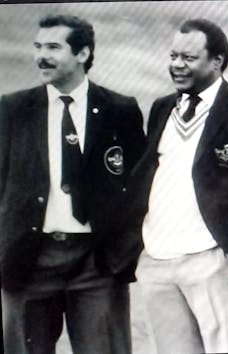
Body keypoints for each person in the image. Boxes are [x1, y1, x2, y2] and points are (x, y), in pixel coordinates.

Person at [124, 18, 228, 353]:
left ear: (217, 61)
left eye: (188, 58)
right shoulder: (162, 108)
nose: (177, 65)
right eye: (173, 56)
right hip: (158, 258)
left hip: (213, 259)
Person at [0, 14, 145, 354]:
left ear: (82, 54)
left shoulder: (119, 110)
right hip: (29, 260)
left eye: (53, 47)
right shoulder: (13, 109)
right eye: (37, 47)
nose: (41, 56)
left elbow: (139, 187)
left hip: (96, 264)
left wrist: (121, 255)